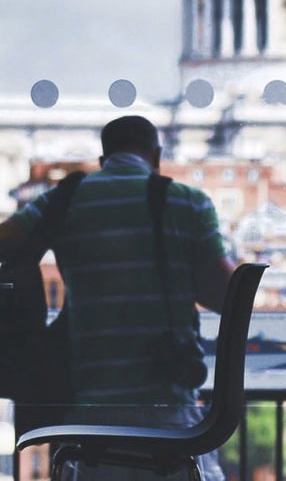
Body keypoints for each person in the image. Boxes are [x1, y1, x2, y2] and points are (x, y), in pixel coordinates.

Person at [0, 115, 236, 480]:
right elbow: (225, 295)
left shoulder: (66, 199)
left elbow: (7, 243)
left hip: (88, 415)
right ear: (155, 156)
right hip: (168, 411)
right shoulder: (188, 202)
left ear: (102, 158)